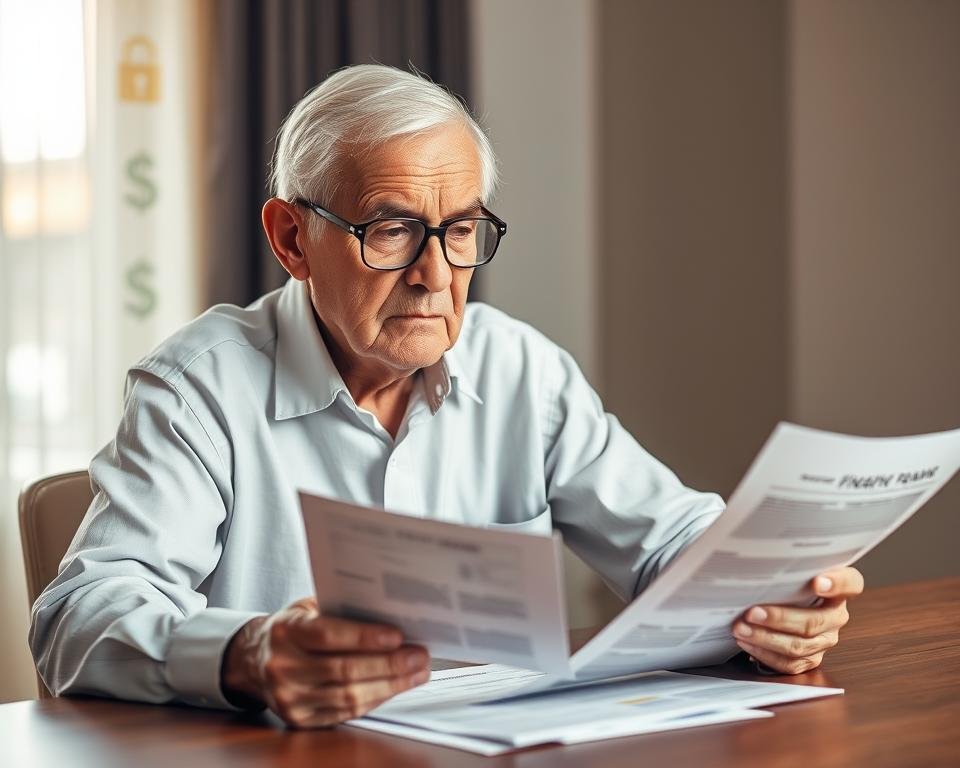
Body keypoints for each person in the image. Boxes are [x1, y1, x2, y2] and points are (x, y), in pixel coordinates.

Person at [29, 64, 863, 728]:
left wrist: (772, 594)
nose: (435, 276)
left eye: (460, 230)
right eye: (391, 229)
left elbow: (668, 536)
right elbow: (81, 615)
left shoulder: (519, 370)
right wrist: (248, 652)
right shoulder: (198, 387)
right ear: (292, 239)